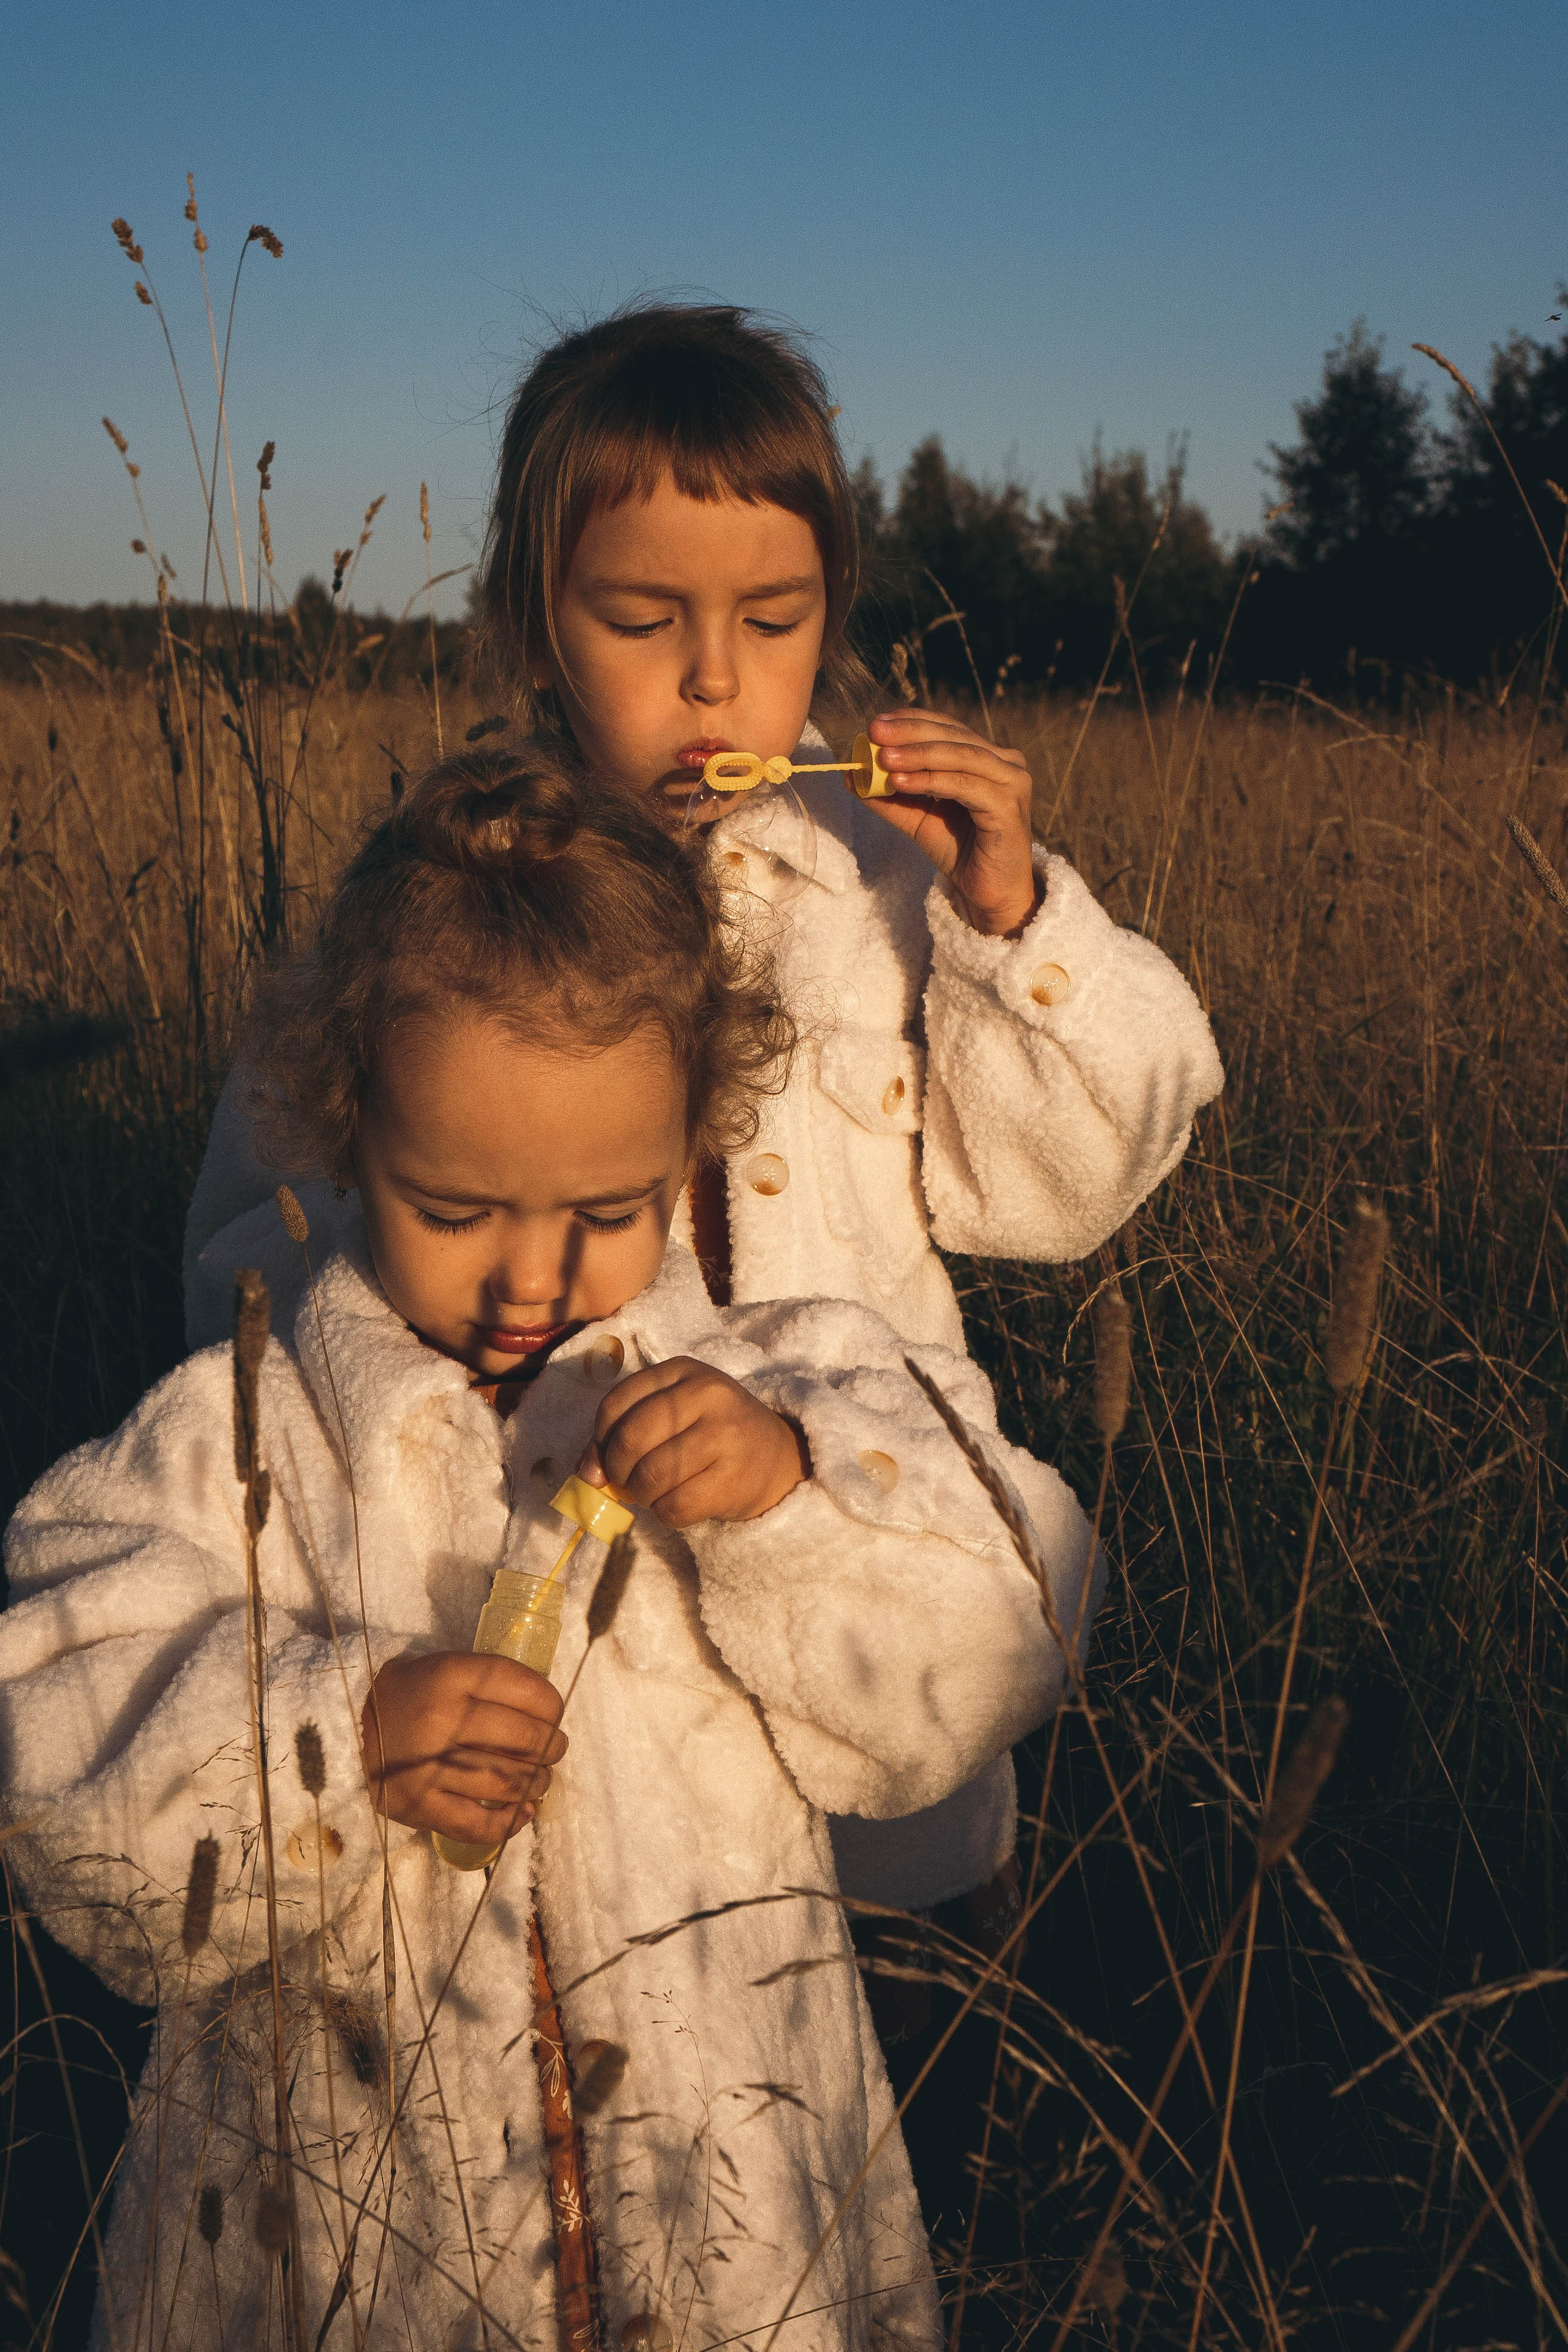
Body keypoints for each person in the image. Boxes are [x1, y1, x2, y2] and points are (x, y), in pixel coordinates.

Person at [185, 302, 1222, 1999]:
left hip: (873, 1668)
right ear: (531, 618)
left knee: (921, 2100)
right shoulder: (438, 907)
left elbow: (1074, 1185)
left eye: (775, 617)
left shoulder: (889, 891)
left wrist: (1014, 915)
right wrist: (436, 1346)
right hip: (574, 1701)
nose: (718, 678)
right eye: (642, 616)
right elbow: (245, 1248)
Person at [1, 753, 1101, 2352]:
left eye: (607, 1208)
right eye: (453, 1206)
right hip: (356, 2242)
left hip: (733, 2203)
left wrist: (794, 1491)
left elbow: (1020, 1615)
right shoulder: (253, 1433)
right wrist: (334, 1734)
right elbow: (52, 1735)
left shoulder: (785, 1383)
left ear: (692, 1134)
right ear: (341, 1131)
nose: (532, 1275)